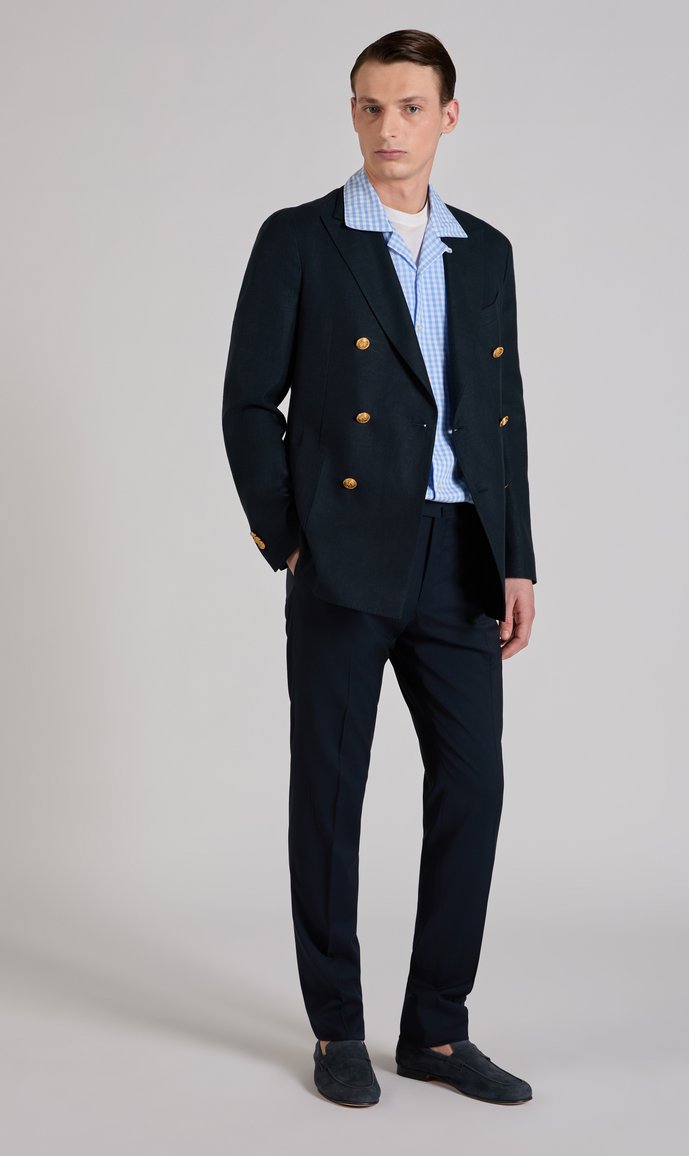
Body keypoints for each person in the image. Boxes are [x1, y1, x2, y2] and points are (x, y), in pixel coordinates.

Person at [222, 28, 537, 1107]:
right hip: (345, 556)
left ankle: (437, 1031)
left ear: (448, 116)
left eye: (408, 107)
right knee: (331, 791)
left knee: (473, 786)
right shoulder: (301, 239)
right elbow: (246, 402)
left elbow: (501, 418)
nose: (387, 127)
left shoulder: (483, 251)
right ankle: (338, 1030)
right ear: (351, 113)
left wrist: (517, 558)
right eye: (369, 106)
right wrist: (288, 535)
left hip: (460, 556)